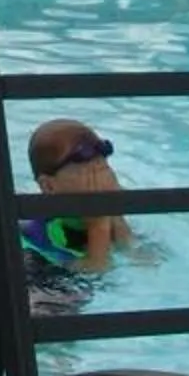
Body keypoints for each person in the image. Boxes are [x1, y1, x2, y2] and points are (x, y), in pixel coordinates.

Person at [20, 117, 137, 274]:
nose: (99, 174)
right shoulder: (40, 234)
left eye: (102, 165)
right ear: (49, 186)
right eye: (87, 171)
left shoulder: (106, 214)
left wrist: (114, 210)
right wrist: (98, 223)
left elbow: (141, 259)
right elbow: (96, 273)